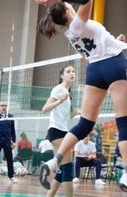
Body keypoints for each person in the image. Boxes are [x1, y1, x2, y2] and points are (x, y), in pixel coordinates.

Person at [36, 0, 127, 196]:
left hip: (95, 71)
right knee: (125, 120)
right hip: (114, 64)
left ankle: (54, 161)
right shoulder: (77, 23)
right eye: (68, 5)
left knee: (85, 124)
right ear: (69, 11)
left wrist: (115, 41)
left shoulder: (71, 33)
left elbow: (96, 45)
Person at [41, 64, 81, 197]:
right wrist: (59, 100)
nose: (72, 73)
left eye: (73, 71)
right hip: (56, 131)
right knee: (68, 167)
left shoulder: (69, 94)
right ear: (62, 76)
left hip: (63, 130)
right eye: (68, 71)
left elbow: (65, 118)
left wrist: (75, 112)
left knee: (62, 169)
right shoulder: (58, 89)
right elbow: (45, 108)